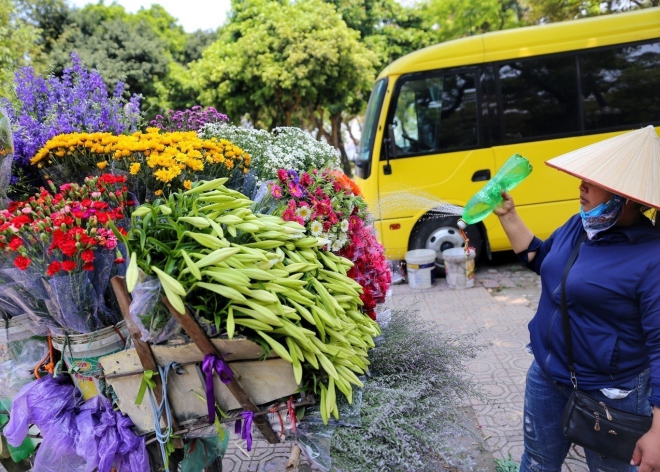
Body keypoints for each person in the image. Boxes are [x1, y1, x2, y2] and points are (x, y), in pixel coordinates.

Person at [493, 126, 660, 472]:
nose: (581, 185)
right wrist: (508, 215)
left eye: (594, 181)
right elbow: (541, 261)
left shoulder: (652, 255)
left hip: (612, 394)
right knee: (537, 464)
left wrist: (658, 429)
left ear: (625, 195)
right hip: (548, 375)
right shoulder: (578, 225)